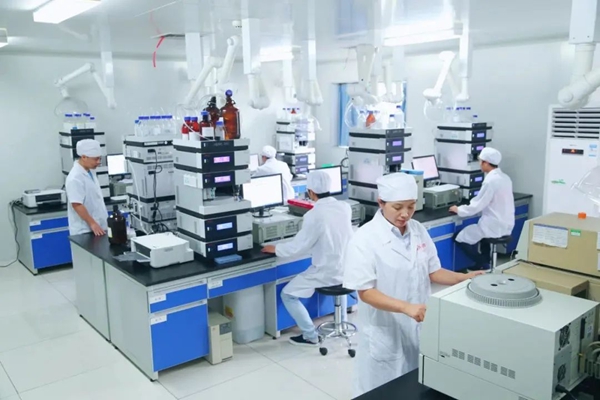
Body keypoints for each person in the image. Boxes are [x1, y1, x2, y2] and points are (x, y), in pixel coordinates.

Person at [343, 173, 484, 396]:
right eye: (398, 207)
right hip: (386, 330)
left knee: (415, 387)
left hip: (418, 324)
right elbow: (366, 292)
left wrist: (463, 278)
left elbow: (433, 271)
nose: (405, 214)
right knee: (383, 392)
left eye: (411, 206)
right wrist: (406, 307)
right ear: (381, 203)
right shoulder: (365, 238)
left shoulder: (417, 229)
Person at [262, 170, 354, 347]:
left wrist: (276, 248)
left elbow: (298, 247)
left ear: (311, 192)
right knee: (341, 281)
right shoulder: (344, 207)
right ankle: (340, 322)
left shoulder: (314, 215)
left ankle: (310, 336)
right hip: (347, 269)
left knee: (287, 294)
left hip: (326, 271)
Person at [449, 147, 515, 270]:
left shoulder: (490, 181)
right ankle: (485, 263)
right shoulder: (505, 178)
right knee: (482, 237)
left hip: (493, 225)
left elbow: (477, 205)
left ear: (485, 163)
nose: (479, 164)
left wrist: (459, 210)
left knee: (459, 237)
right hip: (506, 224)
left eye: (480, 161)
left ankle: (483, 263)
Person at [65, 139, 108, 236]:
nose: (98, 162)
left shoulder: (90, 171)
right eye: (95, 159)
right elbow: (76, 204)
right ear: (84, 157)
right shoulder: (75, 178)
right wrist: (92, 223)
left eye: (99, 158)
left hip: (99, 226)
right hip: (84, 230)